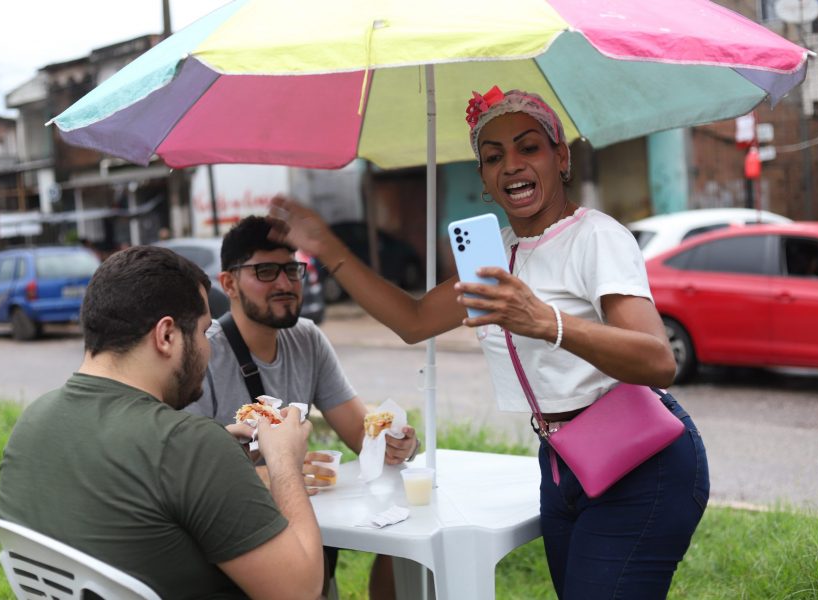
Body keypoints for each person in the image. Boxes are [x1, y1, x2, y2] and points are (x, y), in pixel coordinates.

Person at [267, 87, 710, 599]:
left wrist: (546, 321)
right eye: (494, 156)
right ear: (482, 177)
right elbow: (412, 321)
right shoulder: (496, 253)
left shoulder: (597, 237)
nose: (512, 166)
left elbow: (657, 360)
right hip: (564, 460)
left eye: (529, 148)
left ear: (561, 157)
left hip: (642, 462)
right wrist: (332, 250)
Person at [0, 245, 323, 600]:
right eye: (202, 332)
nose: (209, 348)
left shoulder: (31, 423)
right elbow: (302, 591)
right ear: (166, 336)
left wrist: (218, 457)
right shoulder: (190, 447)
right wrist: (284, 463)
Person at [183, 216, 419, 600]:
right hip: (228, 546)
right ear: (229, 284)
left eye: (292, 269)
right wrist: (277, 473)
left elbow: (362, 433)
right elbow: (186, 465)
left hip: (303, 524)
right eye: (265, 271)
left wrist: (394, 441)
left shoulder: (307, 338)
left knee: (405, 543)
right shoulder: (204, 353)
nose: (285, 283)